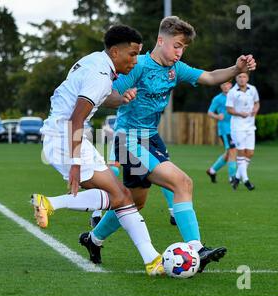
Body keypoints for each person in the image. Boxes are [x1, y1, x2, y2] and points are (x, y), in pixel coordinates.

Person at [79, 16, 256, 272]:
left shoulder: (176, 69)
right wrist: (121, 97)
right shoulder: (137, 65)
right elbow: (107, 93)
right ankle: (196, 248)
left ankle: (93, 239)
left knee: (134, 203)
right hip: (128, 139)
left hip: (150, 138)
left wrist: (237, 68)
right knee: (182, 182)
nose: (179, 52)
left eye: (183, 47)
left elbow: (210, 77)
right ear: (161, 40)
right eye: (176, 45)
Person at [30, 25, 166, 276]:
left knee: (121, 196)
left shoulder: (96, 61)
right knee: (120, 196)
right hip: (67, 137)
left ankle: (152, 259)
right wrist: (74, 162)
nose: (135, 61)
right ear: (115, 51)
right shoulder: (100, 74)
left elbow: (104, 97)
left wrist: (122, 98)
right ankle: (50, 203)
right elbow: (76, 118)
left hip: (64, 135)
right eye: (132, 54)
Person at [227, 72, 260, 191]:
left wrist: (255, 111)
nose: (242, 79)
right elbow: (229, 109)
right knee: (241, 153)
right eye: (239, 77)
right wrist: (240, 113)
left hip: (250, 126)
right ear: (236, 78)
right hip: (238, 127)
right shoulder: (232, 92)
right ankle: (246, 180)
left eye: (244, 77)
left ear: (248, 78)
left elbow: (256, 103)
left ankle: (236, 177)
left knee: (250, 153)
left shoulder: (253, 89)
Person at [206, 81, 237, 185]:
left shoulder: (236, 95)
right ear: (221, 86)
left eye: (227, 84)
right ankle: (232, 178)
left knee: (229, 153)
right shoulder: (217, 99)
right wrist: (217, 116)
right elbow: (210, 112)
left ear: (230, 85)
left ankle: (212, 171)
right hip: (225, 129)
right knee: (232, 151)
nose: (225, 86)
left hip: (236, 128)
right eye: (223, 84)